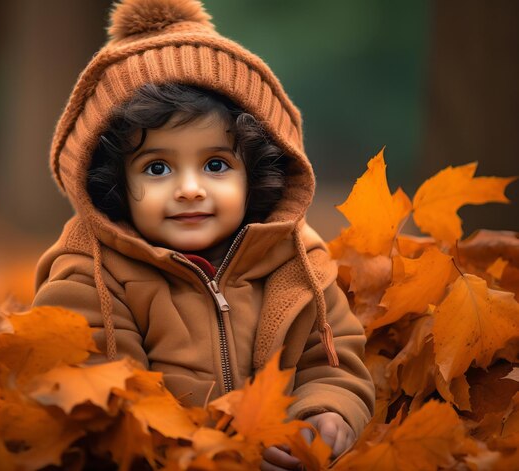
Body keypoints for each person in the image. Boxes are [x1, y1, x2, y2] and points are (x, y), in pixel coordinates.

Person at [33, 0, 374, 468]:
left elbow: (333, 365)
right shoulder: (90, 274)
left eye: (216, 165)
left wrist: (327, 414)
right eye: (157, 168)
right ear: (114, 182)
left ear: (254, 172)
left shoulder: (296, 263)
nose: (190, 190)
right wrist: (215, 449)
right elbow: (97, 396)